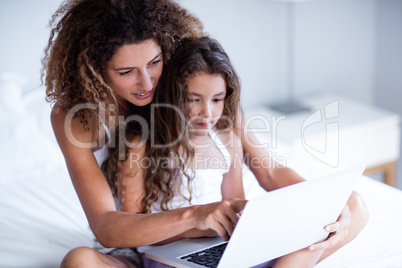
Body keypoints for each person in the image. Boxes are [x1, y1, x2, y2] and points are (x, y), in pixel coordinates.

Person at [41, 0, 369, 267]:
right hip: (145, 241)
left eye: (154, 62)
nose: (148, 83)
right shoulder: (78, 119)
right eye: (126, 72)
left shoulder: (194, 82)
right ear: (95, 70)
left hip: (216, 237)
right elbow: (108, 227)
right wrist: (195, 217)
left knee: (355, 204)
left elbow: (267, 169)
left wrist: (324, 205)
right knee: (79, 261)